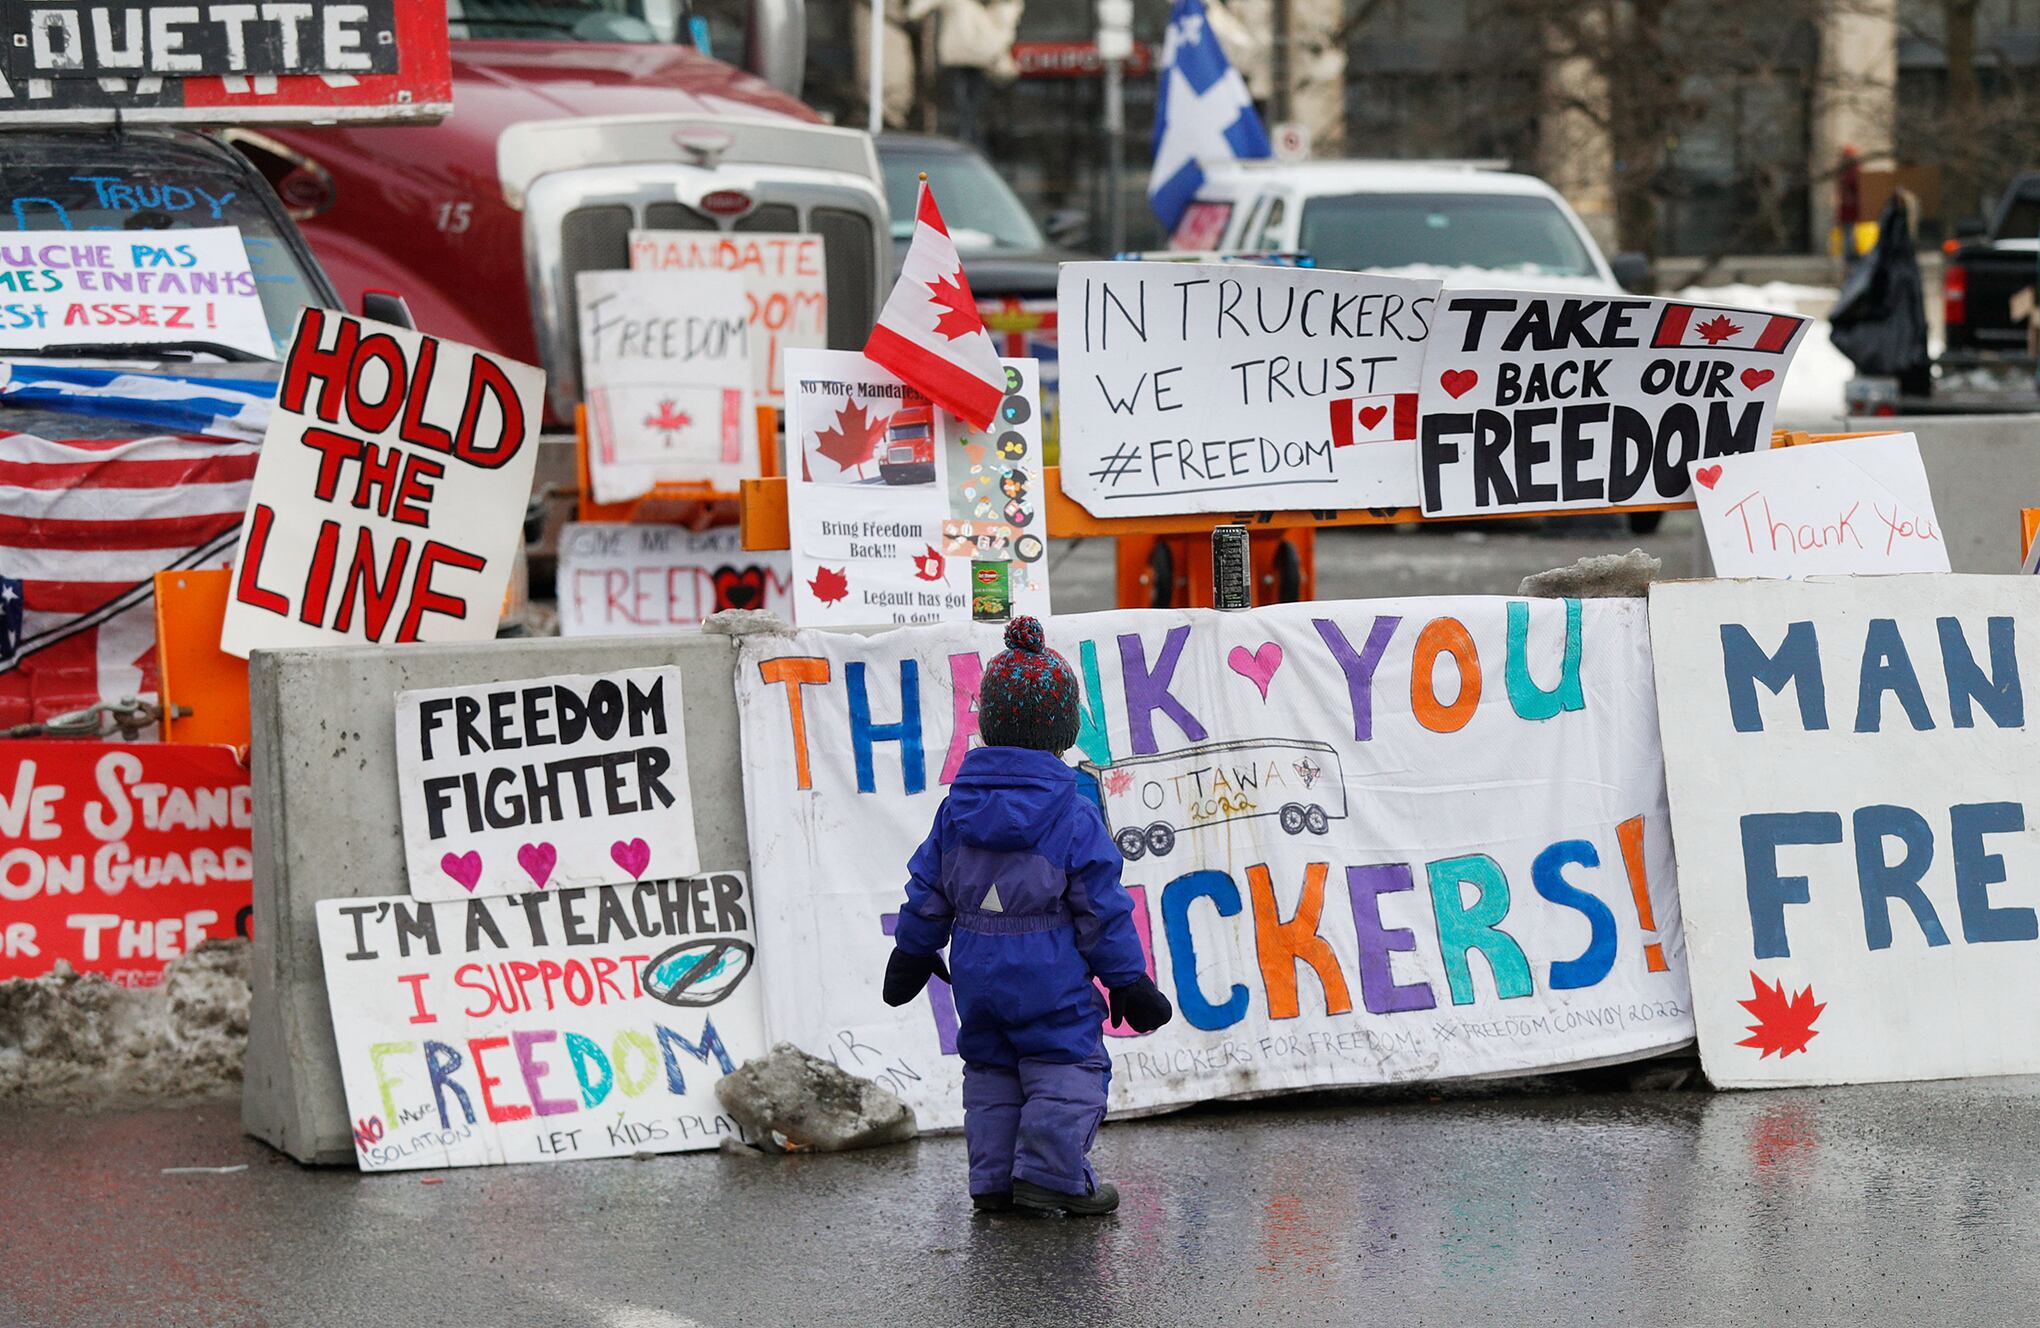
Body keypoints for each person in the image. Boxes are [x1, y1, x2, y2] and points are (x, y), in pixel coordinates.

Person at [880, 616, 1173, 1216]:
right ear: (1063, 730)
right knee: (1065, 1061)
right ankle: (1052, 1175)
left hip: (976, 971)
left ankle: (992, 1179)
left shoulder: (956, 805)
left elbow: (928, 887)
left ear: (988, 722)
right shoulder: (1074, 810)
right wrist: (1126, 980)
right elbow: (1101, 909)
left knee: (991, 1064)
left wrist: (912, 949)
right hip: (1049, 972)